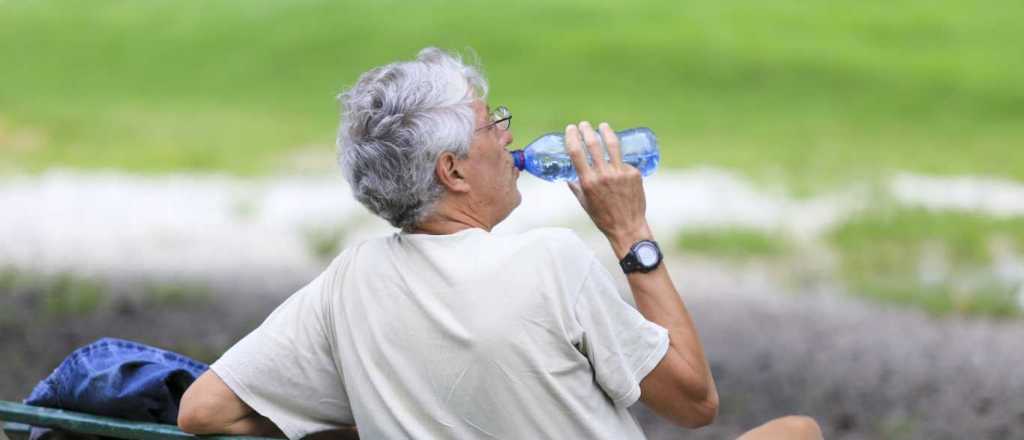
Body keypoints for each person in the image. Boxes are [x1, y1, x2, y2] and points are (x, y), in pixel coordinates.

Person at [176, 47, 823, 440]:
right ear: (452, 171)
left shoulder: (349, 281)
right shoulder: (551, 262)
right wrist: (631, 232)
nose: (509, 137)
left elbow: (203, 412)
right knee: (799, 431)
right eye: (493, 124)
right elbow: (694, 402)